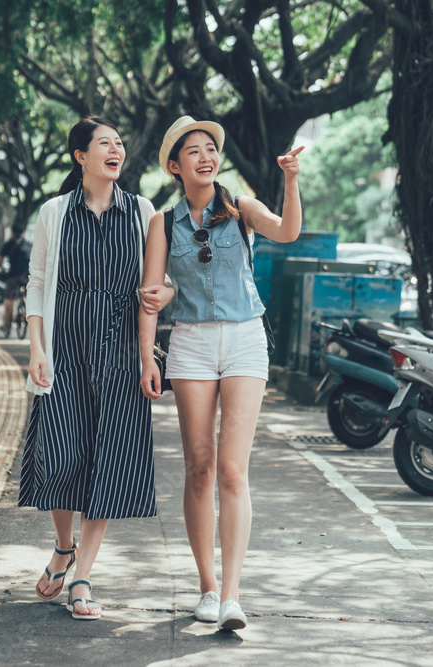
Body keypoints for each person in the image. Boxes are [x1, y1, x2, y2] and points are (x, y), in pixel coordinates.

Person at [138, 116, 303, 631]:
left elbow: (289, 231)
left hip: (245, 340)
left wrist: (291, 180)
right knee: (199, 467)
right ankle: (206, 587)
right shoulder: (164, 224)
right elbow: (151, 295)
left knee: (233, 470)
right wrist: (149, 357)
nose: (206, 157)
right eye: (194, 151)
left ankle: (232, 595)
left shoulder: (240, 209)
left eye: (211, 148)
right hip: (189, 344)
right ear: (174, 166)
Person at [19, 116, 173, 620]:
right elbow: (38, 280)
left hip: (122, 353)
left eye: (120, 143)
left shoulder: (145, 212)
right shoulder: (55, 212)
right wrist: (36, 347)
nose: (116, 150)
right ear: (80, 156)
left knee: (107, 462)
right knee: (60, 456)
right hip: (64, 349)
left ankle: (82, 575)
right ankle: (63, 546)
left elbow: (160, 281)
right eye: (104, 143)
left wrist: (163, 296)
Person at [0, 227, 31, 337]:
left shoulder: (9, 244)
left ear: (12, 233)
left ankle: (7, 325)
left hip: (14, 275)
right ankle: (26, 311)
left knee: (9, 299)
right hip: (28, 275)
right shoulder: (30, 244)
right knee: (28, 297)